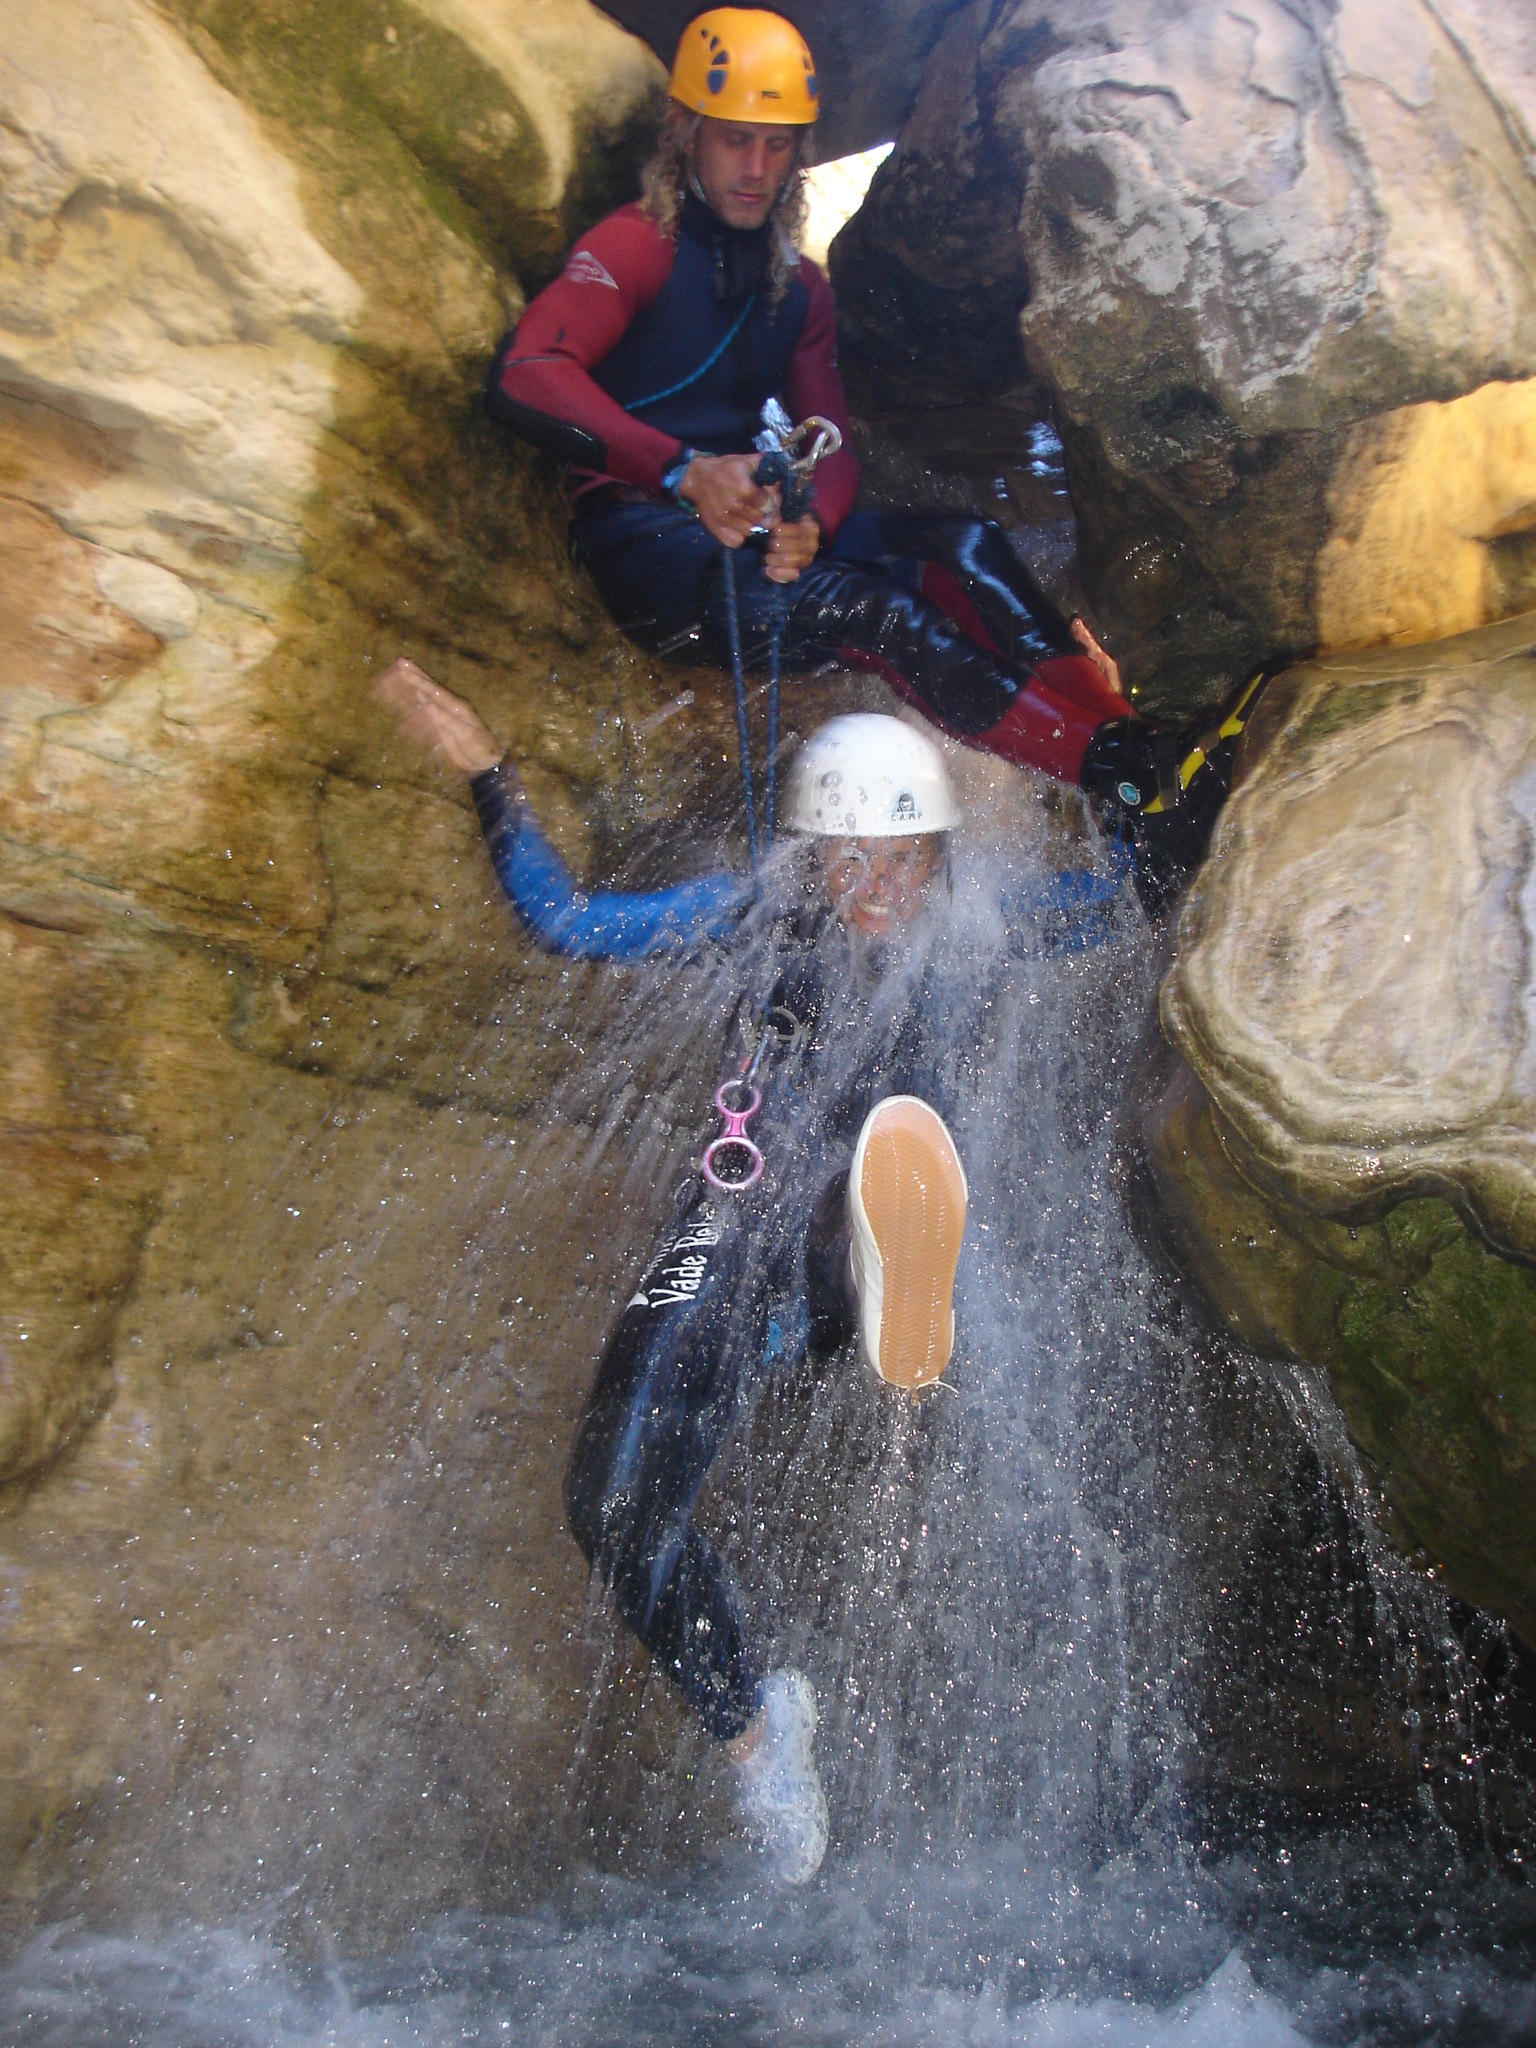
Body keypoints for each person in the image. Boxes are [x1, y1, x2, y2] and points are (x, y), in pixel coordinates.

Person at [374, 655, 1066, 1884]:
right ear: (810, 851)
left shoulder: (983, 922)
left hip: (864, 1206)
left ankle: (884, 1262)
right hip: (738, 1213)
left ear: (940, 858)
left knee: (872, 1176)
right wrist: (490, 771)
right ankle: (757, 1728)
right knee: (612, 1507)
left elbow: (1125, 891)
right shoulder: (753, 909)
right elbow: (569, 921)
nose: (878, 885)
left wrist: (1186, 778)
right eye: (850, 855)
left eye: (903, 857)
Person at [486, 7, 1263, 917]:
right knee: (879, 614)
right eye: (736, 141)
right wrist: (679, 472)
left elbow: (833, 436)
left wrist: (814, 520)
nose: (755, 170)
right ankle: (1131, 776)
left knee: (964, 542)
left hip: (747, 539)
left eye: (779, 148)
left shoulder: (795, 284)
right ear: (687, 134)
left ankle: (1134, 772)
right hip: (650, 554)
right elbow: (529, 376)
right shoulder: (634, 245)